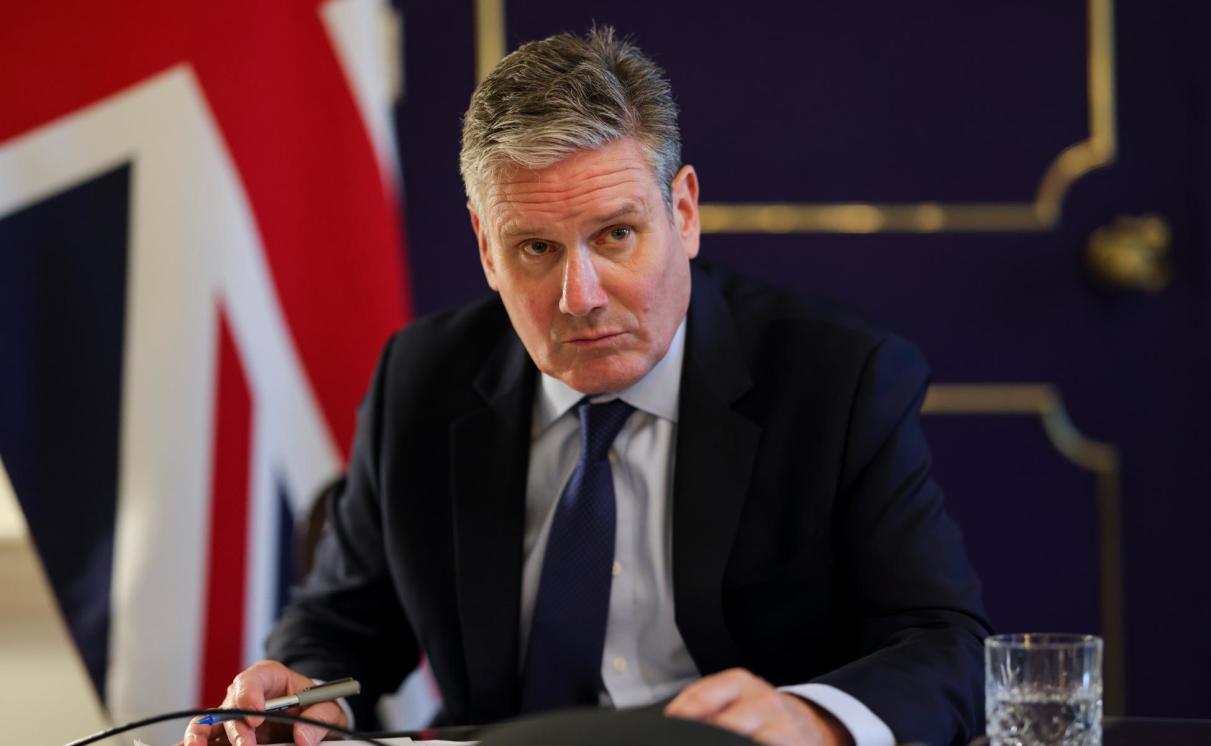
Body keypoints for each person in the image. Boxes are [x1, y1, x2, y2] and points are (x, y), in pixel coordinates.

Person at [185, 26, 990, 746]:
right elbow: (342, 621)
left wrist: (810, 721)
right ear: (485, 248)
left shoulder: (834, 379)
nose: (581, 295)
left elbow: (943, 643)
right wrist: (303, 691)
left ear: (684, 211)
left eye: (616, 234)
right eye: (535, 248)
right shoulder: (422, 381)